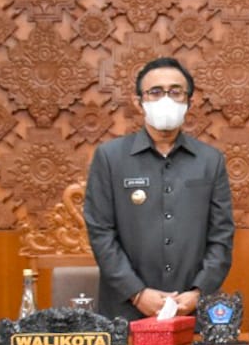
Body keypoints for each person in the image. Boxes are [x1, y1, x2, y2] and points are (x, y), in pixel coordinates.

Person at [84, 57, 234, 321]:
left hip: (192, 312)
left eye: (175, 92)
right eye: (155, 92)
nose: (166, 99)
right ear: (138, 101)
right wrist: (137, 293)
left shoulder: (210, 161)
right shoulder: (110, 158)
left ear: (189, 101)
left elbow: (221, 235)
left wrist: (198, 293)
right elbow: (101, 233)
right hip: (126, 311)